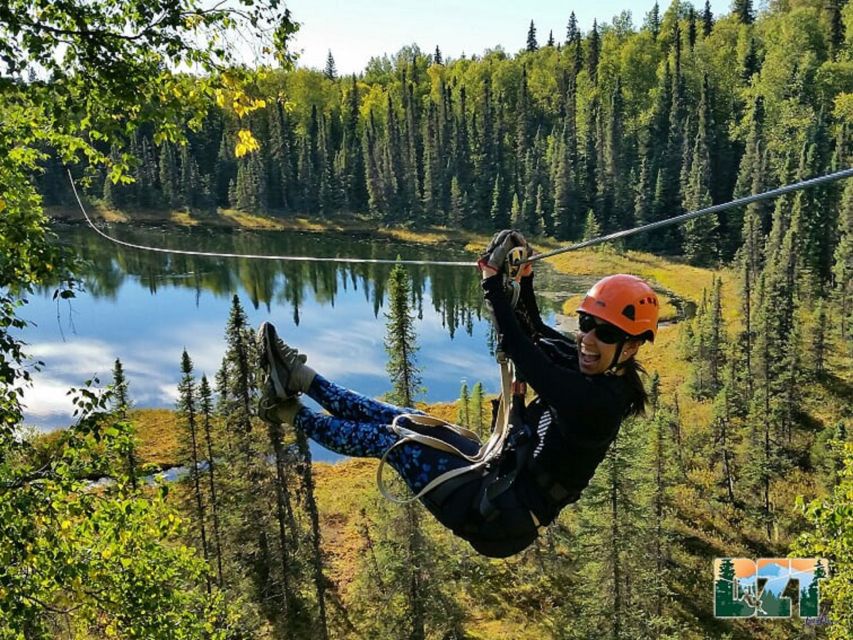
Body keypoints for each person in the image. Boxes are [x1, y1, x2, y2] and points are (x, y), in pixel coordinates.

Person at [257, 230, 659, 558]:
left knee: (390, 441)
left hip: (497, 513)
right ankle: (301, 377)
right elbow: (534, 329)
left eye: (604, 333)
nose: (587, 339)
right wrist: (525, 278)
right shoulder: (594, 365)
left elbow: (523, 352)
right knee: (400, 418)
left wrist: (491, 283)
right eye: (586, 323)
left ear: (633, 346)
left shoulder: (599, 404)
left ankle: (288, 412)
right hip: (499, 476)